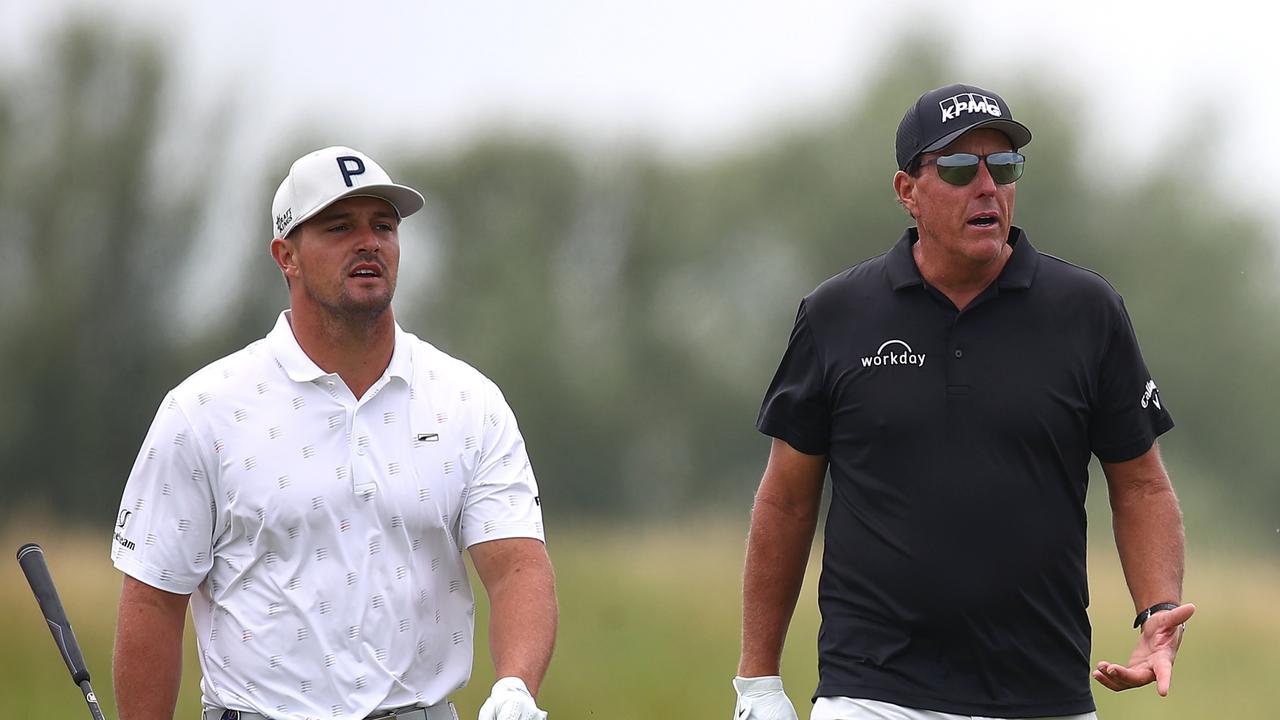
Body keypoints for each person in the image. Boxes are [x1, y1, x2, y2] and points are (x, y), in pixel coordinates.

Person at [732, 84, 1194, 720]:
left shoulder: (1087, 311)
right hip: (871, 694)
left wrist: (1159, 610)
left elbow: (1141, 487)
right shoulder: (838, 315)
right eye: (957, 168)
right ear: (907, 191)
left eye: (1003, 167)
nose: (987, 186)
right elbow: (785, 499)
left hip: (1042, 696)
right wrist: (758, 682)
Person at [111, 146, 557, 720]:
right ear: (287, 256)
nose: (369, 242)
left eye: (384, 226)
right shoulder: (203, 410)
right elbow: (154, 596)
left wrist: (515, 685)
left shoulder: (468, 403)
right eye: (339, 227)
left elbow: (518, 564)